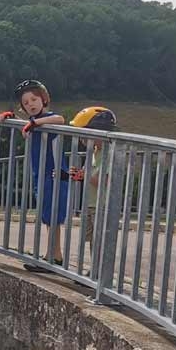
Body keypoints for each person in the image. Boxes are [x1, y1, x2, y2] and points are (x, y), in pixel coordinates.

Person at [0, 80, 68, 266]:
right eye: (26, 103)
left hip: (54, 174)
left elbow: (60, 119)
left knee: (52, 215)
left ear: (44, 99)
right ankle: (55, 256)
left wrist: (35, 123)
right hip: (41, 174)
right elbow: (28, 126)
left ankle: (52, 258)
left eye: (34, 99)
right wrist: (12, 117)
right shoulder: (33, 122)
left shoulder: (49, 119)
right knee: (47, 216)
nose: (31, 104)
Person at [68, 106, 117, 259]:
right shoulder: (94, 152)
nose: (82, 138)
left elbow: (107, 182)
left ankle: (100, 272)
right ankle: (94, 270)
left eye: (85, 132)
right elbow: (87, 177)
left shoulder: (110, 154)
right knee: (91, 240)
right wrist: (75, 175)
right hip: (89, 204)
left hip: (101, 205)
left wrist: (86, 175)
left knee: (99, 240)